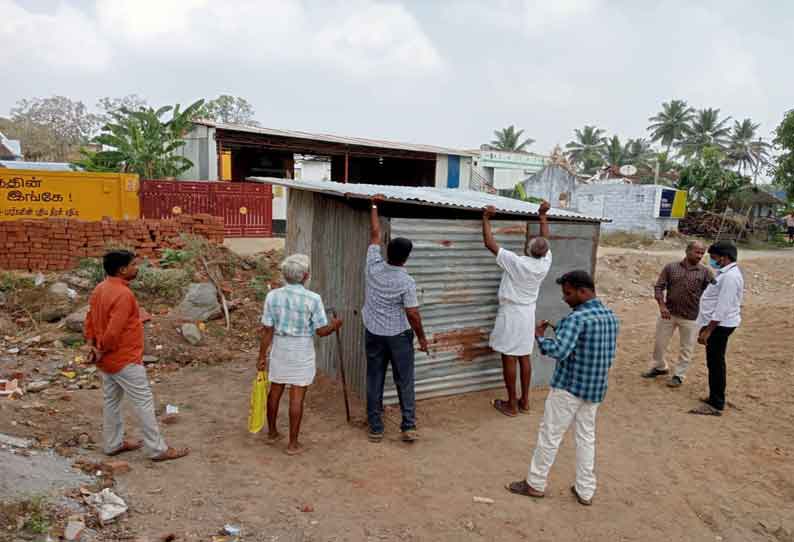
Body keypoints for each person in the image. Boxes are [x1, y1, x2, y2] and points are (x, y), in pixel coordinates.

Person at [506, 271, 619, 506]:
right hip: (594, 389)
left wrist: (539, 337)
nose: (565, 298)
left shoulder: (576, 319)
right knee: (586, 438)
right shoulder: (610, 316)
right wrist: (559, 329)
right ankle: (585, 490)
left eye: (568, 293)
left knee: (550, 435)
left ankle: (535, 484)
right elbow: (587, 343)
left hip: (568, 388)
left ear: (583, 291)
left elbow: (558, 351)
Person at [84, 250, 189, 462]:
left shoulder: (100, 289)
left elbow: (90, 320)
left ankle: (113, 444)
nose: (137, 268)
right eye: (133, 265)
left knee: (111, 402)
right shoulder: (123, 295)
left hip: (106, 360)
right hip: (124, 358)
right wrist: (102, 348)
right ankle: (157, 449)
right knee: (143, 402)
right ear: (122, 270)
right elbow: (113, 332)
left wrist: (93, 347)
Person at [257, 254, 342, 455]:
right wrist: (335, 326)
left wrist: (261, 356)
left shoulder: (273, 296)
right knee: (297, 397)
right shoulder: (313, 299)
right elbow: (321, 331)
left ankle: (272, 433)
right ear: (305, 276)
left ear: (285, 275)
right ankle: (293, 444)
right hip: (301, 349)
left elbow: (267, 330)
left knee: (275, 391)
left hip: (280, 347)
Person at [364, 195, 429, 443]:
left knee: (374, 377)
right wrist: (422, 339)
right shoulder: (406, 282)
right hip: (399, 337)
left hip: (373, 332)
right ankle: (408, 426)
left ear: (387, 251)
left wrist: (373, 205)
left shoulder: (373, 265)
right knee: (404, 379)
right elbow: (412, 313)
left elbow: (374, 233)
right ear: (407, 258)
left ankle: (376, 427)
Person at [482, 201, 553, 416]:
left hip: (511, 314)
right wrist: (542, 216)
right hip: (527, 313)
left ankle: (511, 404)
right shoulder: (544, 263)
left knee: (509, 357)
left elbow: (489, 243)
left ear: (527, 249)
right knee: (524, 356)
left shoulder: (517, 262)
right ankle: (525, 401)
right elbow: (545, 240)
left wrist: (485, 218)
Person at [643, 241, 712, 387]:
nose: (700, 256)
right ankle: (660, 367)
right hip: (669, 314)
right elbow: (659, 287)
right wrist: (662, 306)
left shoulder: (705, 272)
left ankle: (679, 375)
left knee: (686, 348)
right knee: (659, 344)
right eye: (697, 252)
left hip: (691, 316)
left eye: (702, 253)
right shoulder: (671, 268)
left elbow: (713, 292)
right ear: (687, 251)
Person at [689, 241, 743, 417]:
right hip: (718, 324)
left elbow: (723, 307)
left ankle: (716, 403)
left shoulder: (730, 277)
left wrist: (708, 330)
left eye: (713, 257)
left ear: (724, 257)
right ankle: (715, 397)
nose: (711, 260)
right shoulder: (726, 274)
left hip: (721, 325)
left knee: (716, 363)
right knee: (714, 362)